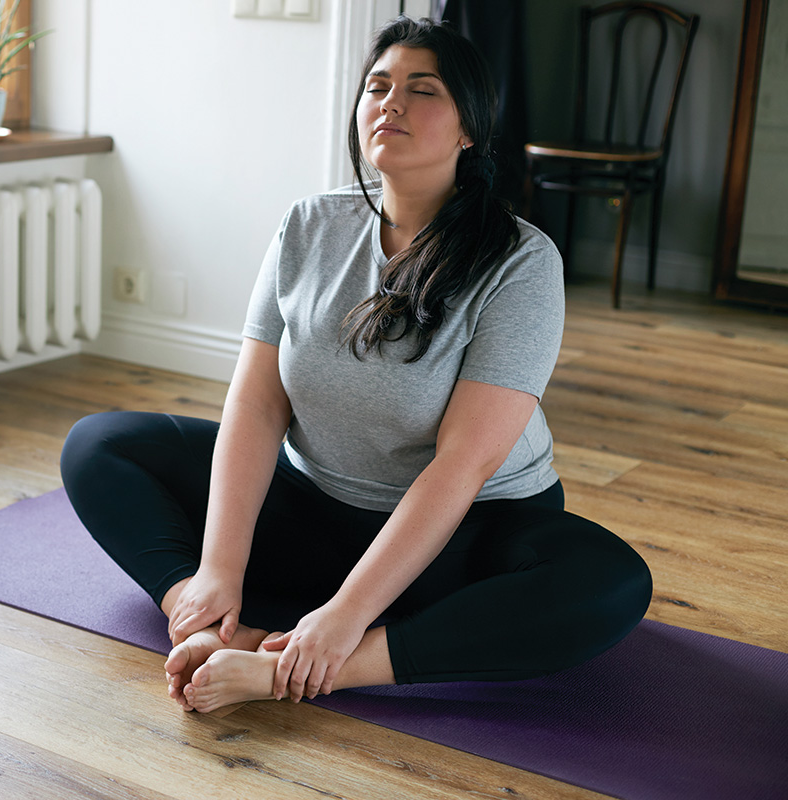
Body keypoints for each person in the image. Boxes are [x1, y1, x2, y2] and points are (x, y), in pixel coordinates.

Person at [60, 16, 652, 714]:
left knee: (610, 582)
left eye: (421, 90)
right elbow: (255, 406)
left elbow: (460, 468)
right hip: (317, 511)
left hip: (458, 538)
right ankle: (219, 624)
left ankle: (316, 666)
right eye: (378, 86)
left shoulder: (521, 262)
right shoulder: (310, 225)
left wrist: (343, 620)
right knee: (101, 446)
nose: (390, 103)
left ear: (469, 128)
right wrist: (216, 571)